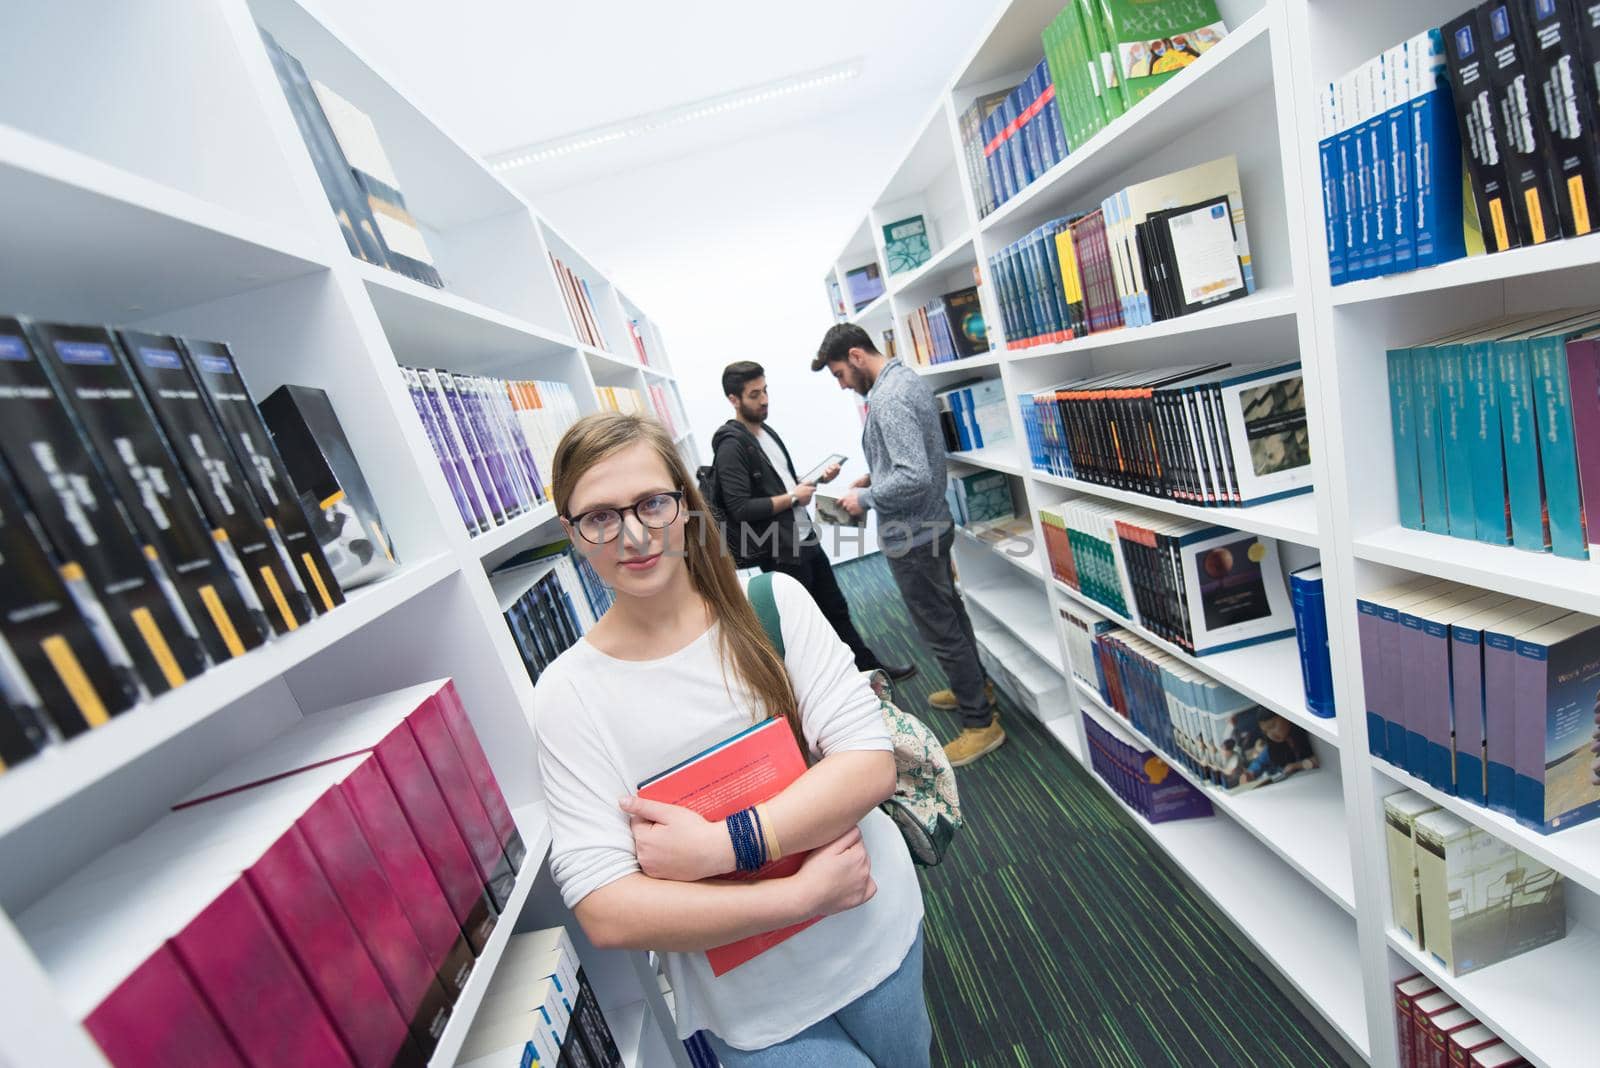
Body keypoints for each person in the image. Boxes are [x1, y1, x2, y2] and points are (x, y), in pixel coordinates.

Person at [534, 411, 931, 1067]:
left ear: (686, 506)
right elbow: (607, 910)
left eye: (652, 504)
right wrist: (798, 897)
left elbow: (867, 766)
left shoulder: (772, 604)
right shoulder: (568, 695)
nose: (632, 535)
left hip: (873, 927)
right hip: (756, 1004)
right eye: (599, 517)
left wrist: (720, 847)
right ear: (571, 534)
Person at [812, 323, 1005, 768]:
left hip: (913, 536)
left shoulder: (888, 397)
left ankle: (981, 724)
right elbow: (908, 463)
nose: (843, 385)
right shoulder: (905, 379)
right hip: (930, 524)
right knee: (952, 617)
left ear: (857, 356)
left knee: (941, 629)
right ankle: (974, 688)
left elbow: (913, 476)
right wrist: (874, 476)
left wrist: (865, 497)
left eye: (840, 373)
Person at [711, 360, 914, 681]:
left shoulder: (765, 431)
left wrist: (814, 479)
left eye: (765, 391)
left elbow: (779, 487)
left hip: (803, 538)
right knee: (806, 631)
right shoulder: (731, 446)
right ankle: (836, 689)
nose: (764, 400)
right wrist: (794, 497)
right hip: (781, 551)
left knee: (836, 609)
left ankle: (869, 670)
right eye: (754, 395)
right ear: (733, 400)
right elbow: (740, 508)